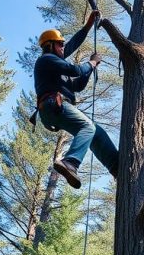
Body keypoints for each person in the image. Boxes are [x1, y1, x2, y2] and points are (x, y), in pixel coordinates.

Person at [35, 10, 119, 189]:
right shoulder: (46, 60)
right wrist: (92, 63)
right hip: (52, 104)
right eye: (60, 44)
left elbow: (78, 84)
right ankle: (70, 163)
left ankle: (116, 167)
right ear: (50, 45)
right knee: (87, 126)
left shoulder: (56, 70)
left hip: (52, 108)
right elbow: (76, 70)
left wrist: (88, 26)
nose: (64, 47)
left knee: (96, 131)